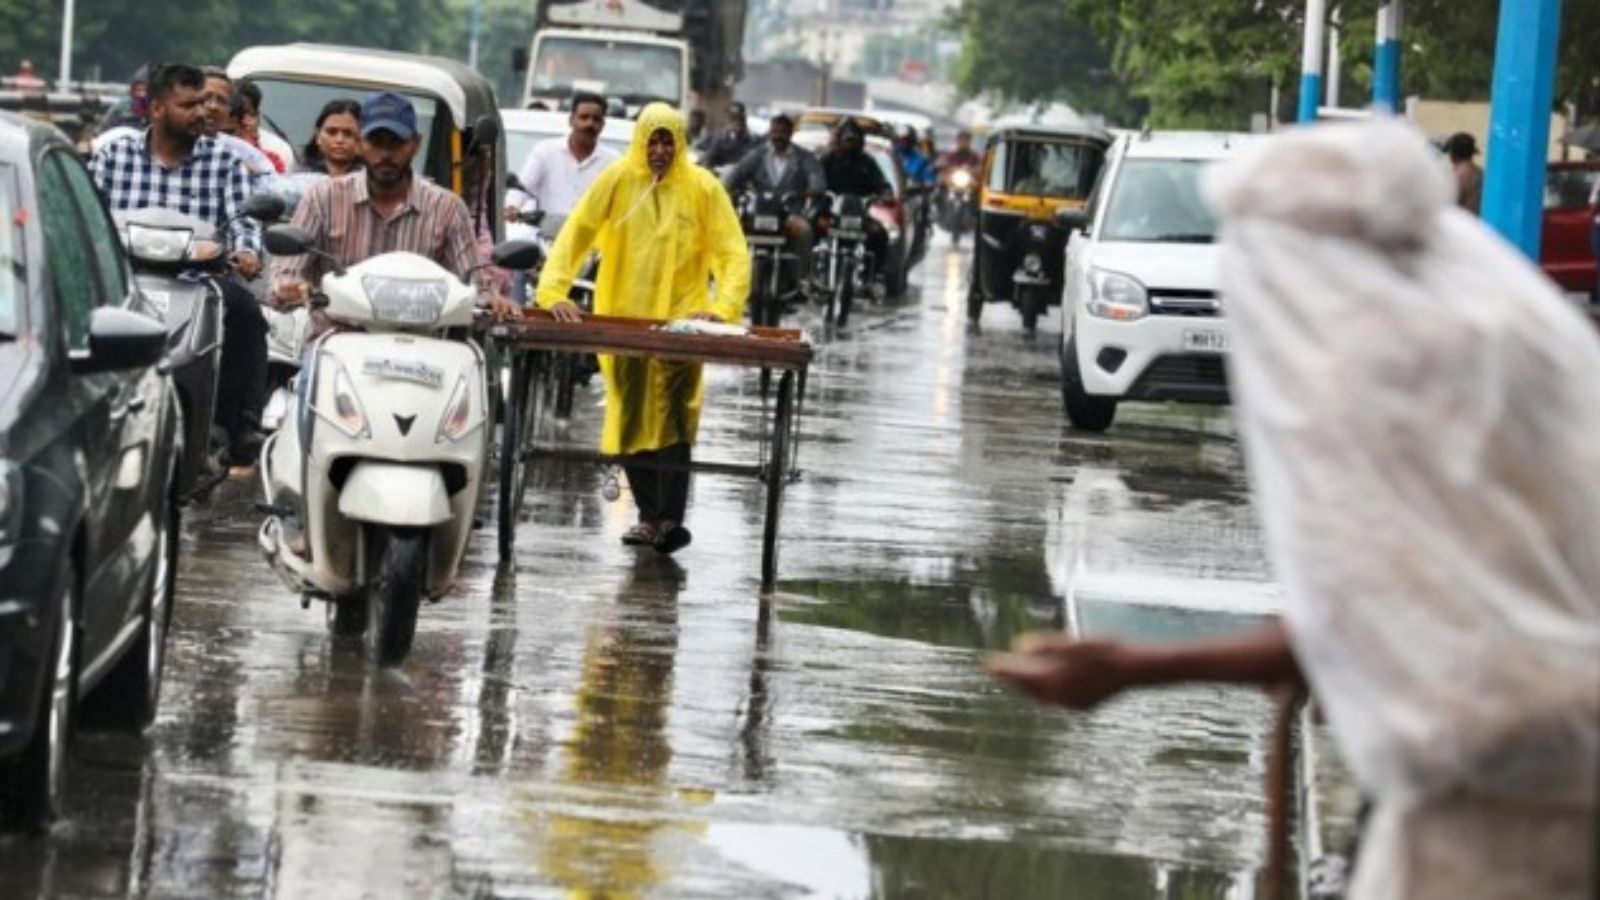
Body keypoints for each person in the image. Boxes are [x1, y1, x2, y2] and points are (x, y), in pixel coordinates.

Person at [990, 121, 1600, 900]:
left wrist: (1141, 667)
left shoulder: (1424, 389)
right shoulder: (1507, 332)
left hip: (1515, 799)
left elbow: (1433, 642)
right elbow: (1407, 617)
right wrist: (1142, 667)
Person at [535, 103, 750, 554]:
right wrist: (554, 292)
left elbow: (732, 253)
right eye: (653, 140)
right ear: (640, 142)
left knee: (674, 415)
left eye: (667, 141)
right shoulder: (617, 181)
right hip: (624, 318)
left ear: (679, 143)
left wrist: (723, 308)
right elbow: (578, 231)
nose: (659, 150)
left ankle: (670, 519)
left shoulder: (703, 188)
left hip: (682, 324)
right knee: (631, 412)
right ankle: (650, 518)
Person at [89, 62, 270, 465]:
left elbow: (242, 219)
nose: (202, 112)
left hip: (197, 280)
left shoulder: (225, 161)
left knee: (245, 312)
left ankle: (239, 425)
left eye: (205, 103)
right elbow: (88, 216)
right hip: (122, 278)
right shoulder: (113, 156)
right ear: (157, 109)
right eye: (188, 105)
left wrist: (246, 252)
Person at [271, 91, 519, 321]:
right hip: (335, 338)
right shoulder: (322, 198)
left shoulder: (447, 208)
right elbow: (286, 273)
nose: (385, 154)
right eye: (376, 142)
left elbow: (473, 284)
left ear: (416, 143)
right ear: (360, 143)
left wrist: (492, 300)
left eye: (396, 143)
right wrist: (291, 288)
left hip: (420, 343)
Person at [503, 91, 619, 303]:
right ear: (571, 120)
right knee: (516, 264)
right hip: (546, 238)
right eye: (584, 117)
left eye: (596, 119)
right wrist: (512, 206)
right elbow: (522, 187)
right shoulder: (545, 151)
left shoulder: (614, 163)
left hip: (593, 245)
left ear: (602, 125)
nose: (589, 124)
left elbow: (621, 203)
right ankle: (516, 312)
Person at [722, 113, 825, 280]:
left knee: (804, 231)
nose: (778, 136)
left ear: (791, 133)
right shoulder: (757, 154)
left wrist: (809, 191)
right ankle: (730, 277)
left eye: (783, 132)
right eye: (775, 131)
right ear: (769, 132)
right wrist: (725, 188)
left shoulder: (804, 157)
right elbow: (736, 174)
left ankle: (801, 280)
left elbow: (817, 181)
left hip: (789, 215)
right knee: (731, 229)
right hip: (757, 213)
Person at [235, 80, 295, 172]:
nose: (238, 120)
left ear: (257, 116)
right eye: (234, 113)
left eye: (245, 114)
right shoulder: (215, 145)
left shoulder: (279, 150)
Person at [301, 99, 362, 176]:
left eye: (348, 134)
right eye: (332, 132)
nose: (339, 140)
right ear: (317, 136)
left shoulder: (371, 178)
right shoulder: (299, 176)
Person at [698, 101, 760, 168]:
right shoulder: (719, 136)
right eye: (731, 119)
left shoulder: (751, 140)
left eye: (738, 119)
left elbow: (751, 161)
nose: (734, 123)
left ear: (743, 121)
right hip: (720, 171)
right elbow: (709, 155)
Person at [1443, 131, 1483, 215]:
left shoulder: (1455, 176)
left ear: (1453, 154)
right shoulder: (1480, 173)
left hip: (1460, 220)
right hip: (1477, 221)